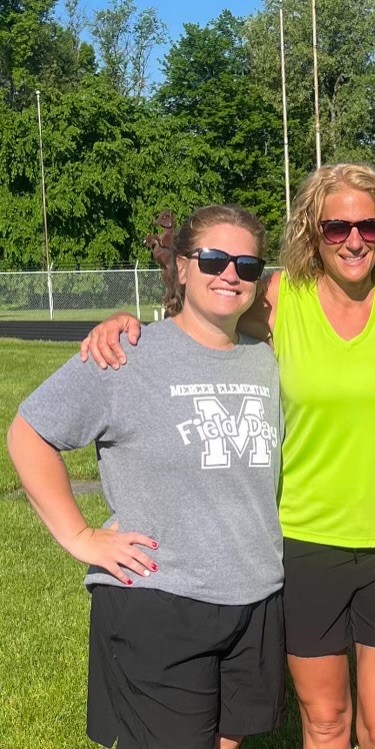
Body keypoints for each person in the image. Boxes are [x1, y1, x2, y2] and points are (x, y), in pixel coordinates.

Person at [80, 164, 375, 749]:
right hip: (302, 540)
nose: (353, 240)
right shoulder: (277, 299)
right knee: (324, 721)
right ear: (312, 232)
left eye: (369, 227)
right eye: (335, 228)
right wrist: (130, 328)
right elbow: (198, 325)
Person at [8, 205, 286, 749]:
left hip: (255, 593)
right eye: (213, 259)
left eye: (247, 265)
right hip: (161, 598)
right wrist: (80, 536)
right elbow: (29, 433)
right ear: (182, 268)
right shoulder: (127, 354)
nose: (230, 273)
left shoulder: (268, 359)